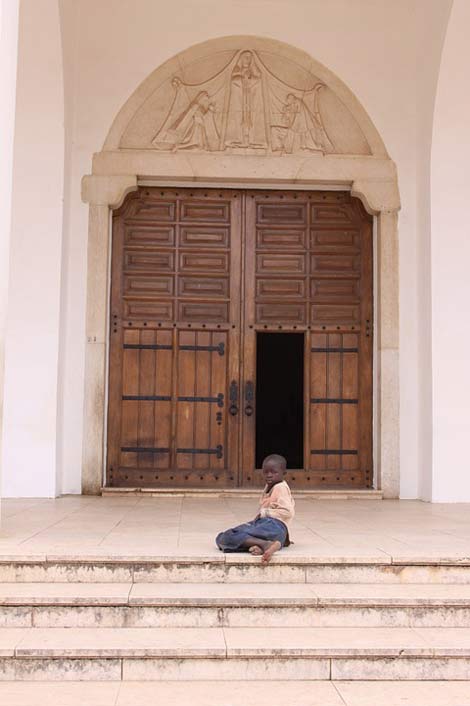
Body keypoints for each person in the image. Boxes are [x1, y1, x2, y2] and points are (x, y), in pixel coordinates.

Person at [215, 454, 295, 564]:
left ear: (284, 473)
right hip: (275, 534)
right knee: (223, 537)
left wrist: (264, 513)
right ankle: (261, 544)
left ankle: (264, 545)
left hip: (274, 526)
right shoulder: (270, 486)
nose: (269, 475)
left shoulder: (280, 487)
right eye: (266, 472)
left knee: (225, 537)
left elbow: (288, 512)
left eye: (274, 472)